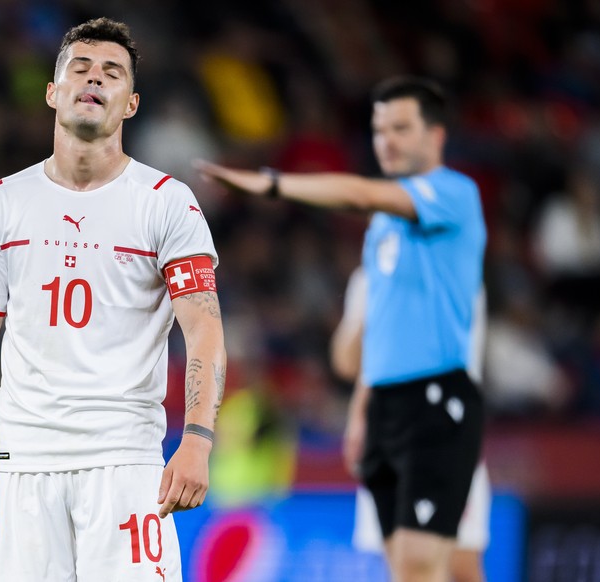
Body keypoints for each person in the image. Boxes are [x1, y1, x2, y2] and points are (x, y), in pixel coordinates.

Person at [0, 18, 226, 582]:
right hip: (24, 465)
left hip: (125, 464)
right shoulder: (3, 203)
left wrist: (196, 440)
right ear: (53, 91)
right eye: (80, 68)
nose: (94, 80)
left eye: (112, 73)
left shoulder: (167, 203)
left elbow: (205, 331)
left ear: (131, 103)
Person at [196, 76, 487, 582]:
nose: (387, 142)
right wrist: (360, 414)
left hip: (435, 401)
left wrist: (272, 184)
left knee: (443, 565)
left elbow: (355, 192)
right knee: (408, 569)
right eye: (379, 130)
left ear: (435, 136)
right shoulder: (382, 237)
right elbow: (362, 354)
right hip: (386, 411)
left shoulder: (452, 195)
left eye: (401, 128)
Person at [332, 266, 491, 582]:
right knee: (402, 570)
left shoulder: (455, 268)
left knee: (459, 566)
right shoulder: (368, 278)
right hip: (387, 439)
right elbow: (347, 363)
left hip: (444, 436)